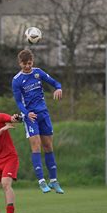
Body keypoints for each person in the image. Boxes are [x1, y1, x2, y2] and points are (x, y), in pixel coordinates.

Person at [11, 49, 64, 194]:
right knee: (36, 146)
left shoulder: (38, 72)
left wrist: (58, 88)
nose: (27, 66)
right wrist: (27, 114)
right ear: (19, 63)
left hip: (44, 114)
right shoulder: (17, 80)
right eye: (24, 64)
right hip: (30, 116)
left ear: (32, 62)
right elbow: (18, 102)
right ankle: (41, 181)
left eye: (29, 63)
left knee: (48, 146)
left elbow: (55, 82)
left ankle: (54, 181)